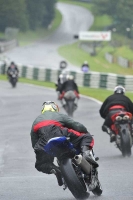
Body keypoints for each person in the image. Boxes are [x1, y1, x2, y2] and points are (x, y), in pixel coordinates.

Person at [30, 101, 100, 188]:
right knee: (86, 137)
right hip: (60, 134)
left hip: (44, 143)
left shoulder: (36, 120)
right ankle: (86, 154)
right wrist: (85, 131)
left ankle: (56, 170)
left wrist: (41, 152)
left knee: (41, 164)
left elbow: (34, 141)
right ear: (55, 108)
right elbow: (77, 125)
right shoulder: (59, 115)